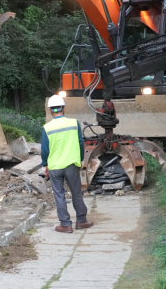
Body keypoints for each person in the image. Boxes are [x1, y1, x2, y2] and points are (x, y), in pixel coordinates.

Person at [41, 95, 93, 233]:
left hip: (55, 167)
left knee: (59, 195)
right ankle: (81, 221)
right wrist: (81, 159)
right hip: (71, 164)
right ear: (63, 108)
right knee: (76, 192)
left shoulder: (47, 128)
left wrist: (45, 163)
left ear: (51, 111)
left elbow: (45, 150)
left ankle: (66, 224)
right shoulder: (74, 123)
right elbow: (81, 143)